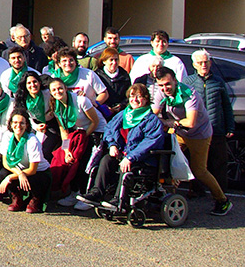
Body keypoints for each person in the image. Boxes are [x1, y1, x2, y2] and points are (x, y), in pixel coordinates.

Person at [154, 67, 232, 215]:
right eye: (161, 85)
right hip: (179, 132)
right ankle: (166, 197)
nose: (165, 88)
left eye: (168, 84)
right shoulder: (161, 92)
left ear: (175, 81)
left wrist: (169, 123)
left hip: (199, 134)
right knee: (168, 162)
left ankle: (223, 201)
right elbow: (154, 114)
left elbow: (191, 122)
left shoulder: (189, 94)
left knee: (199, 170)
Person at [77, 83, 166, 211]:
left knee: (127, 167)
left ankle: (120, 200)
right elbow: (109, 129)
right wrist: (112, 145)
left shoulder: (152, 120)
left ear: (146, 99)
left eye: (139, 96)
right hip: (123, 154)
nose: (135, 99)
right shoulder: (125, 114)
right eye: (132, 96)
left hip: (142, 159)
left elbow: (149, 142)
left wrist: (130, 157)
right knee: (106, 160)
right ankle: (96, 193)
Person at [183, 49, 235, 192]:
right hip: (197, 131)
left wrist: (230, 127)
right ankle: (196, 191)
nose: (203, 65)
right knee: (197, 163)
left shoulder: (218, 81)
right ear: (194, 65)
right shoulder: (188, 82)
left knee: (219, 163)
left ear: (210, 63)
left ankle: (220, 192)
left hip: (216, 128)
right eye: (200, 63)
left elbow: (226, 106)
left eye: (206, 62)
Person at [48, 78, 104, 206]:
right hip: (77, 134)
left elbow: (95, 122)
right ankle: (74, 193)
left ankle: (85, 195)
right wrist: (66, 150)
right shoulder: (56, 107)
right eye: (54, 90)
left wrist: (82, 138)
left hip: (94, 131)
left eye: (60, 88)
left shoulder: (81, 101)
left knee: (82, 160)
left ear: (65, 88)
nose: (57, 92)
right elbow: (64, 131)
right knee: (68, 159)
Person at [0, 110, 51, 213]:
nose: (18, 126)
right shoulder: (7, 136)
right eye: (15, 122)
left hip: (39, 172)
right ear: (11, 124)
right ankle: (17, 198)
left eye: (22, 123)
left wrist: (10, 177)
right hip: (21, 170)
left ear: (26, 125)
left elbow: (32, 170)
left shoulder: (32, 140)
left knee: (35, 178)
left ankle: (35, 199)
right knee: (3, 173)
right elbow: (5, 162)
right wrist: (19, 173)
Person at [96, 48, 132, 116]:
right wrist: (105, 107)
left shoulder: (124, 75)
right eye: (111, 60)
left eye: (116, 60)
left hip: (120, 113)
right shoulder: (98, 75)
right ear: (104, 61)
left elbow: (128, 94)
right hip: (102, 112)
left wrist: (121, 105)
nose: (114, 63)